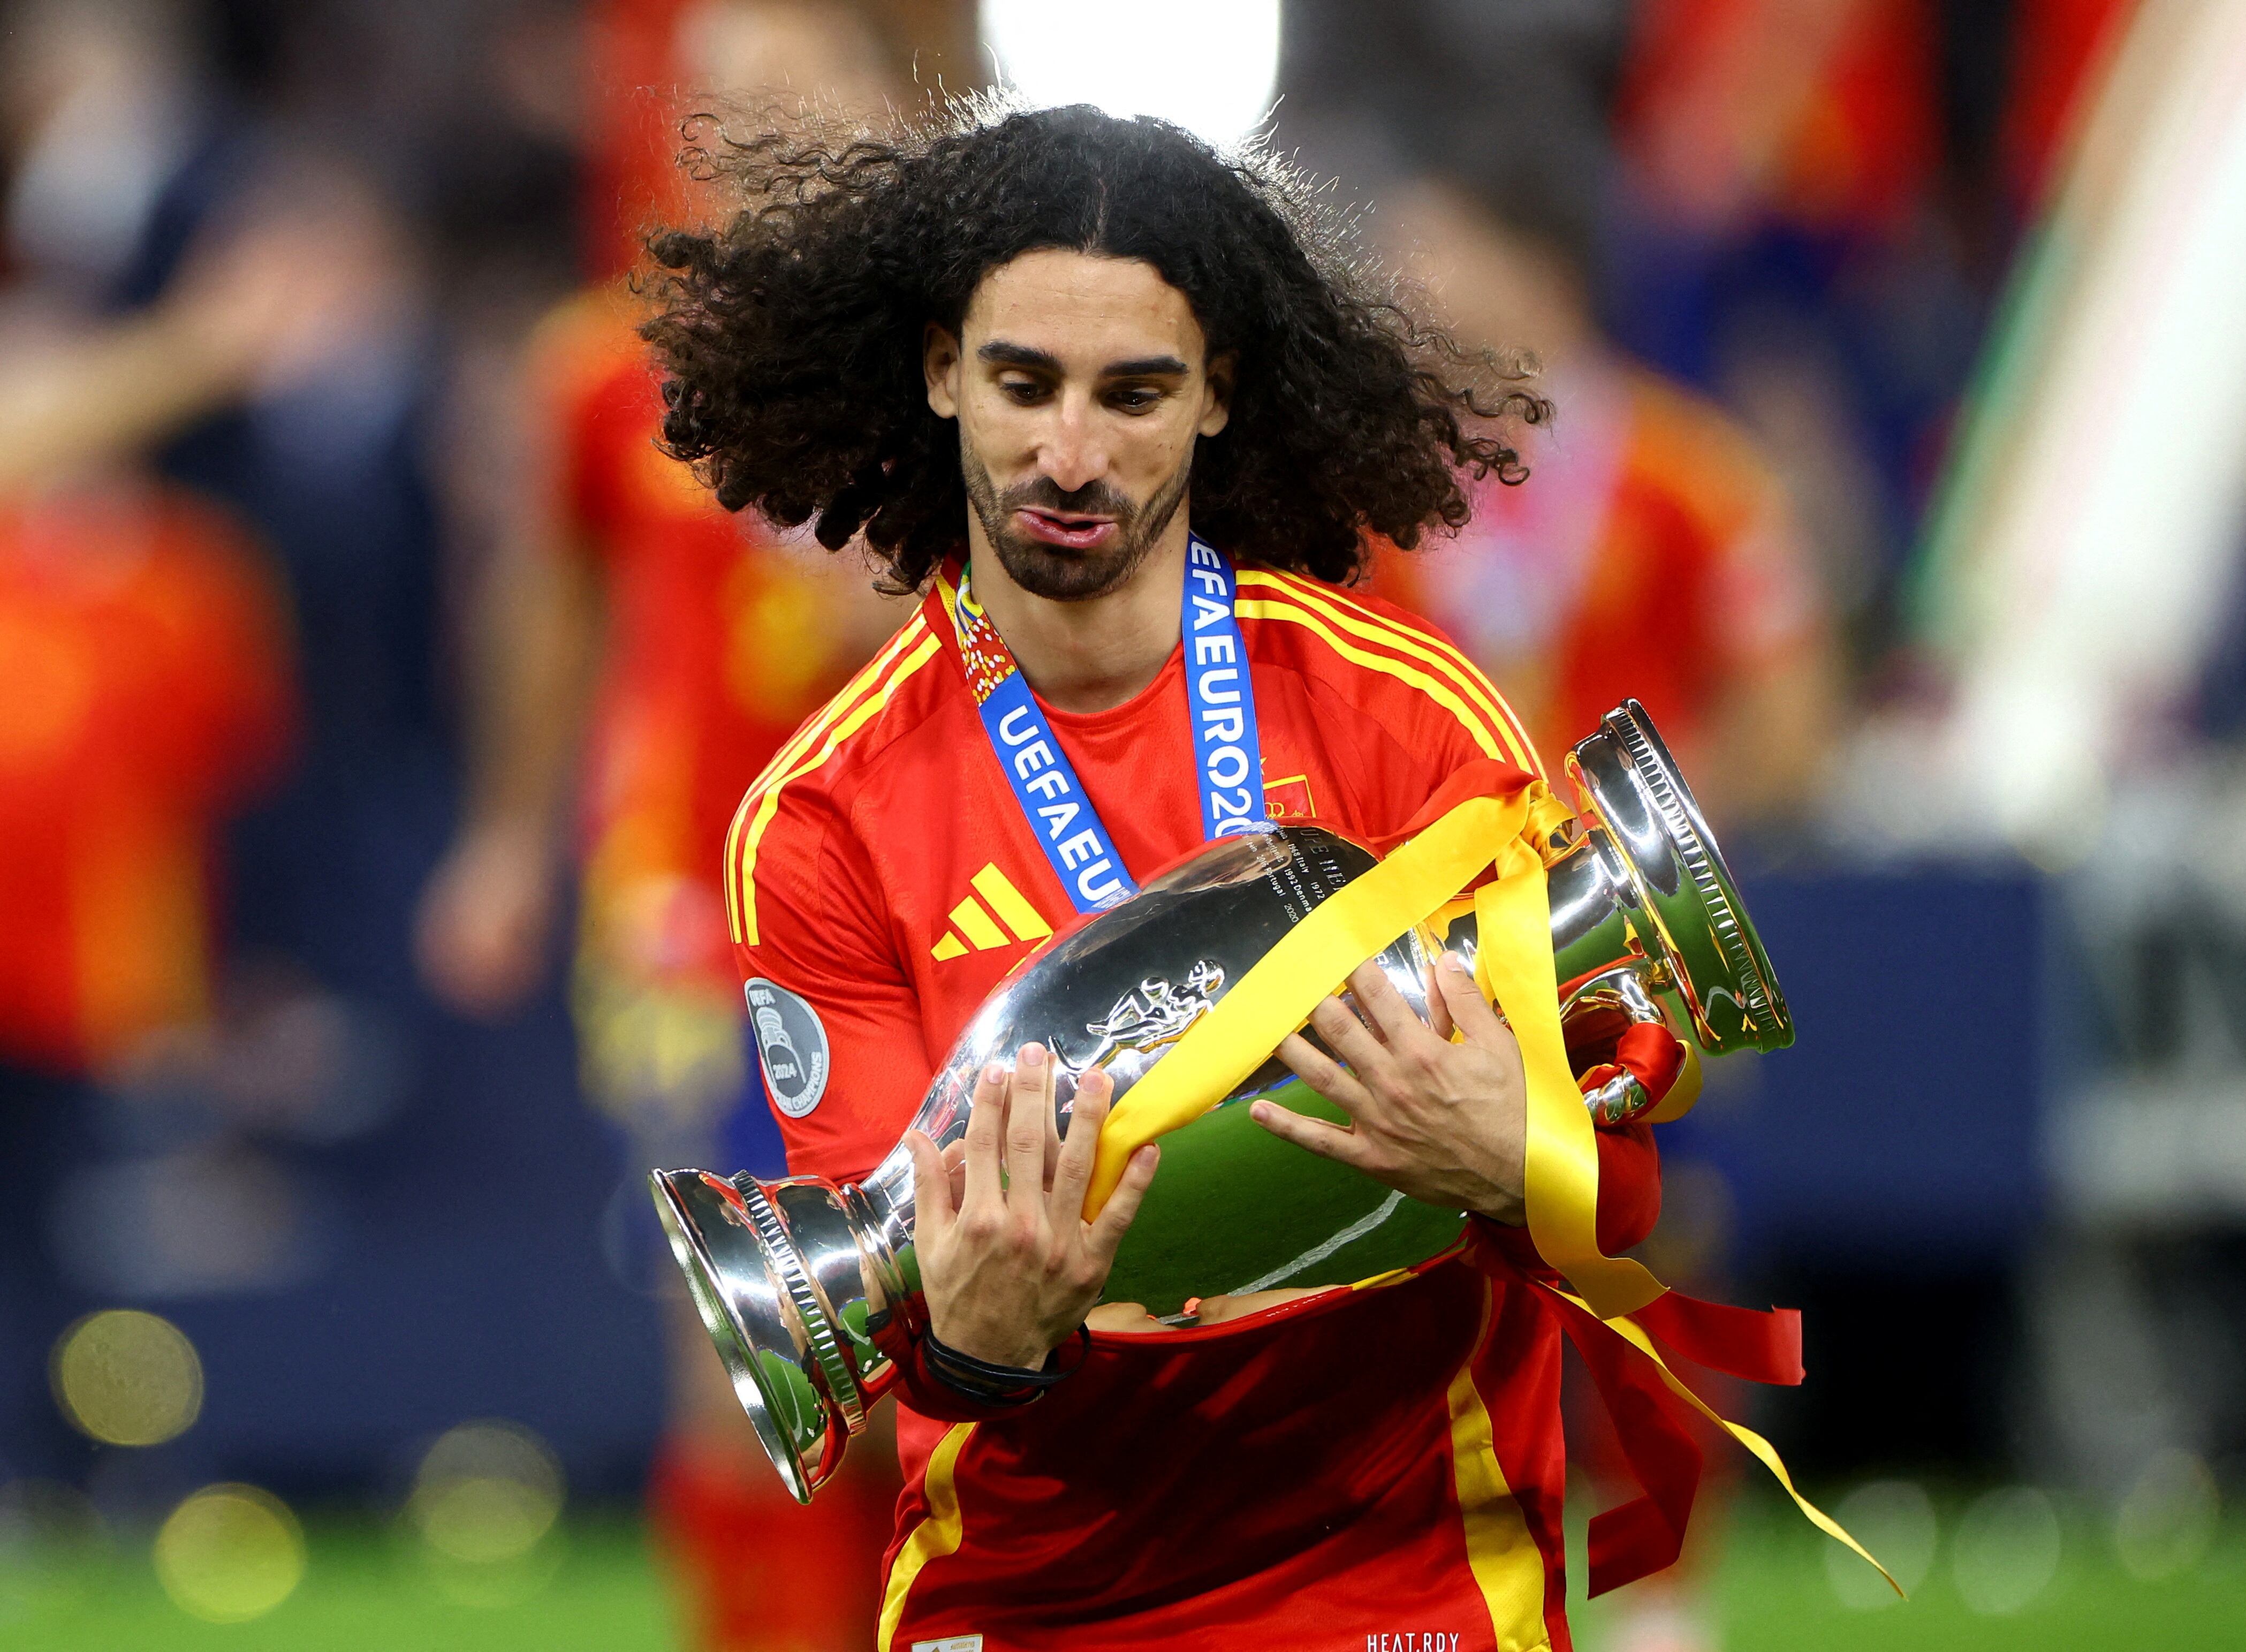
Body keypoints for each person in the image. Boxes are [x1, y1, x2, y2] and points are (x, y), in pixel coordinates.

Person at [644, 103, 1814, 1648]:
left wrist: (1520, 1158)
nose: (1072, 453)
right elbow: (892, 1331)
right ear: (940, 374)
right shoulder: (819, 818)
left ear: (1221, 397)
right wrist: (983, 1341)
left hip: (1403, 1578)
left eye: (1135, 394)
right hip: (1035, 1591)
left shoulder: (1410, 717)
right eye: (1022, 384)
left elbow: (1633, 1175)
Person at [414, 6, 914, 1647]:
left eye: (791, 96)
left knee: (956, 1341)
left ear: (873, 112)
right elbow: (547, 609)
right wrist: (502, 836)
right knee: (756, 1357)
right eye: (717, 105)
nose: (749, 132)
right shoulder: (601, 371)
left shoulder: (967, 354)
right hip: (699, 923)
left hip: (950, 901)